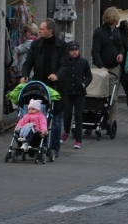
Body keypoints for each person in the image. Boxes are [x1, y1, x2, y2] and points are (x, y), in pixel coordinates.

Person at [20, 18, 69, 158]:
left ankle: (54, 148)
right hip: (39, 87)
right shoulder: (36, 45)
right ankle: (36, 144)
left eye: (42, 29)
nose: (39, 31)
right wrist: (25, 75)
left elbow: (65, 65)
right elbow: (28, 62)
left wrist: (57, 75)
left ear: (50, 31)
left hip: (56, 87)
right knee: (36, 117)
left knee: (56, 119)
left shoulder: (62, 46)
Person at [60, 41, 92, 149]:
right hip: (67, 92)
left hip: (80, 92)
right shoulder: (64, 62)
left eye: (76, 50)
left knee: (78, 116)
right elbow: (60, 74)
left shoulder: (83, 62)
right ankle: (66, 131)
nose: (74, 52)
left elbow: (89, 76)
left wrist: (84, 84)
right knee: (67, 115)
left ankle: (78, 140)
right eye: (72, 50)